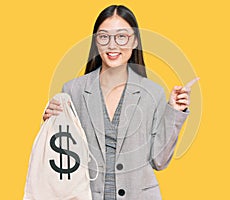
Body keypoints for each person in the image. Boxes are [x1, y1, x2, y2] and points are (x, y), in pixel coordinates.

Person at [43, 5, 192, 200]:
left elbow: (159, 161)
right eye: (104, 37)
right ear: (96, 41)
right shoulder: (73, 91)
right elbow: (63, 158)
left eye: (122, 36)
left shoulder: (152, 93)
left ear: (135, 40)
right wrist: (49, 125)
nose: (112, 45)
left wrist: (174, 112)